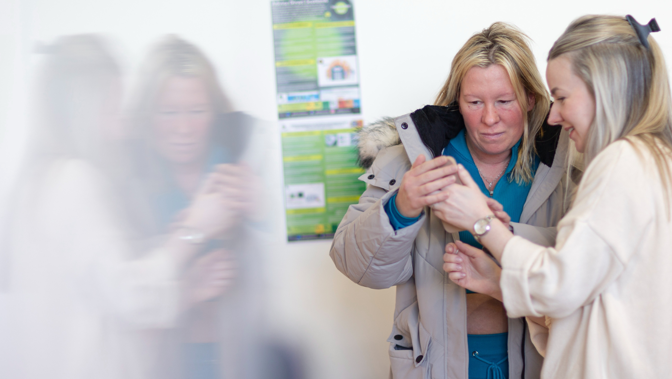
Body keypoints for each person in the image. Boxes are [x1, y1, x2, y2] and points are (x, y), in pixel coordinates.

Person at [330, 22, 572, 379]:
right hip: (437, 366)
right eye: (474, 102)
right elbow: (355, 265)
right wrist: (402, 208)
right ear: (457, 101)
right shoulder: (408, 161)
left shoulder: (568, 165)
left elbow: (583, 269)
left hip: (544, 361)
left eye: (505, 102)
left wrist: (495, 230)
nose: (490, 118)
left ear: (531, 98)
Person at [441, 14, 672, 379]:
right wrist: (497, 280)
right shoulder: (656, 160)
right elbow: (586, 293)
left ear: (606, 90)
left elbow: (561, 287)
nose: (553, 116)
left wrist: (482, 223)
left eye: (562, 97)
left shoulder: (622, 162)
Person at [0, 35, 238, 379]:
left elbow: (103, 295)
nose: (121, 126)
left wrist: (187, 288)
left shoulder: (35, 183)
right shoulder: (73, 179)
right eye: (111, 110)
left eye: (197, 110)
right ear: (82, 114)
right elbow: (130, 297)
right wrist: (194, 231)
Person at [127, 35, 268, 379]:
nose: (184, 128)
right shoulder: (129, 183)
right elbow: (121, 301)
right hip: (163, 361)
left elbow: (308, 263)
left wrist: (266, 207)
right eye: (168, 112)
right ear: (147, 114)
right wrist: (187, 282)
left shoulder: (249, 157)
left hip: (247, 354)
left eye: (197, 111)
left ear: (216, 111)